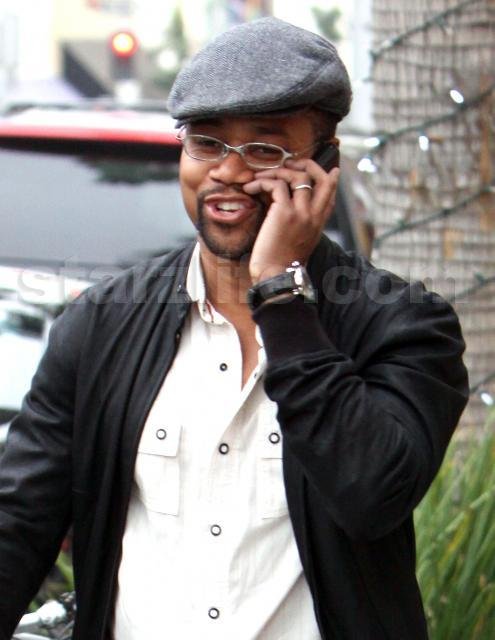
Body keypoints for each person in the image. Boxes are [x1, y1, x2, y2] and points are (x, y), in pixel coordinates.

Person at [0, 17, 468, 640]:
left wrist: (281, 295)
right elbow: (18, 524)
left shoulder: (403, 325)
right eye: (207, 143)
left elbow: (372, 494)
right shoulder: (102, 324)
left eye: (264, 150)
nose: (227, 171)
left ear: (324, 164)